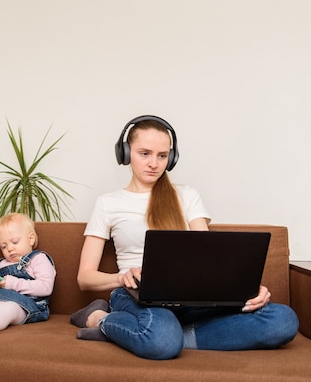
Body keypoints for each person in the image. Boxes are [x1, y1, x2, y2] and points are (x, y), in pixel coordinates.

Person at [70, 115, 298, 360]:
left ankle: (172, 337)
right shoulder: (108, 204)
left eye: (162, 155)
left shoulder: (187, 196)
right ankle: (99, 318)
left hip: (192, 300)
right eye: (144, 153)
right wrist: (121, 277)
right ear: (125, 153)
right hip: (136, 296)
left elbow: (209, 259)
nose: (154, 163)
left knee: (283, 320)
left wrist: (247, 290)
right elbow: (85, 278)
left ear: (171, 157)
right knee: (161, 339)